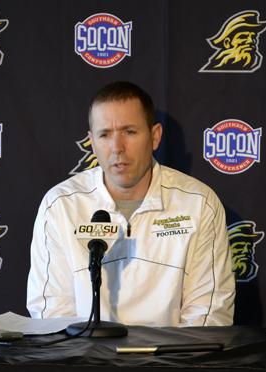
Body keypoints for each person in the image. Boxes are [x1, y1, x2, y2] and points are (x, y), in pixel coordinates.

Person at [27, 81, 235, 327]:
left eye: (129, 132)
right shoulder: (60, 206)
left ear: (155, 136)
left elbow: (209, 312)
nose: (117, 148)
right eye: (105, 134)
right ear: (92, 142)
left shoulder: (199, 203)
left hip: (172, 361)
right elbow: (51, 310)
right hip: (87, 361)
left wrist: (161, 360)